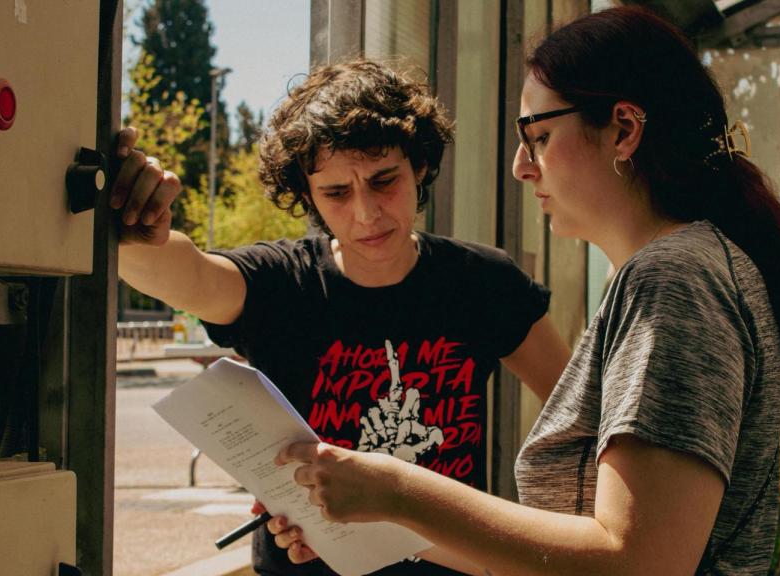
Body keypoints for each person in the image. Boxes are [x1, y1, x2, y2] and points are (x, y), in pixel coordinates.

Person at [268, 7, 780, 576]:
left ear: (624, 129)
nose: (521, 166)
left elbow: (639, 561)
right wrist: (364, 520)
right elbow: (566, 552)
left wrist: (397, 488)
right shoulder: (682, 268)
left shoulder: (674, 278)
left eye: (538, 136)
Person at [112, 60, 571, 575]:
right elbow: (186, 274)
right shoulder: (282, 283)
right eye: (336, 193)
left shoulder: (485, 282)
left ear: (419, 166)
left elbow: (581, 419)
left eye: (384, 181)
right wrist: (137, 229)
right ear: (308, 195)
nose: (366, 213)